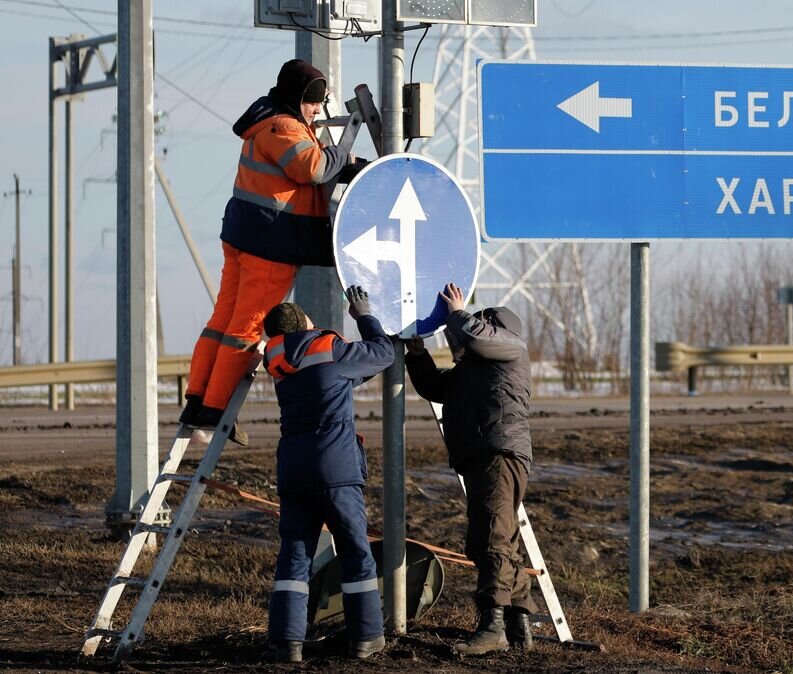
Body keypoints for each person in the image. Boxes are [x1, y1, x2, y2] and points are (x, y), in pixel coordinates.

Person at [180, 59, 358, 444]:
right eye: (314, 102)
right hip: (270, 245)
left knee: (224, 321)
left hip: (247, 238)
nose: (318, 110)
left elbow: (307, 165)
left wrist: (347, 166)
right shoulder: (284, 126)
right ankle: (216, 409)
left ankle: (197, 400)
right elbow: (310, 168)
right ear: (300, 98)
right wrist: (341, 157)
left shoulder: (268, 122)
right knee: (245, 329)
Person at [261, 286, 393, 663]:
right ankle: (367, 638)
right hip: (335, 469)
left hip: (294, 470)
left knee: (294, 557)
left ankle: (286, 644)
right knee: (355, 553)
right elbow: (382, 353)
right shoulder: (330, 349)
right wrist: (365, 315)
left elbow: (331, 381)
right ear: (305, 322)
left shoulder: (278, 360)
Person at [404, 283, 537, 656]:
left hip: (498, 451)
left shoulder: (512, 348)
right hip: (484, 453)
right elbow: (434, 386)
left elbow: (475, 336)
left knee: (491, 539)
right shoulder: (475, 368)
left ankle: (492, 625)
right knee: (501, 540)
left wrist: (458, 312)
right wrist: (417, 353)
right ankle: (517, 621)